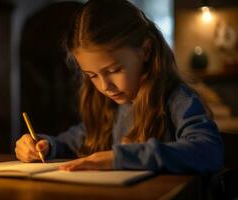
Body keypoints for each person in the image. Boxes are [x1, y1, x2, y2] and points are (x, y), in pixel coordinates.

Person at [15, 0, 223, 173]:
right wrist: (44, 145)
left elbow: (208, 151)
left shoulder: (177, 99)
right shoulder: (108, 107)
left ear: (146, 50)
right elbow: (71, 141)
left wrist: (120, 158)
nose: (105, 86)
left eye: (114, 70)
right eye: (92, 75)